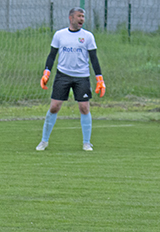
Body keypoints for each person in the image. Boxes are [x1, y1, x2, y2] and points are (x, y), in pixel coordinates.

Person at [36, 7, 106, 152]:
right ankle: (44, 141)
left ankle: (87, 143)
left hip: (82, 77)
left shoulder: (88, 36)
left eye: (83, 17)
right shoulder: (59, 35)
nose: (82, 19)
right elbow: (52, 55)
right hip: (63, 75)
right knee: (54, 107)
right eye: (79, 16)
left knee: (84, 107)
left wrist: (100, 79)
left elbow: (94, 59)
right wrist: (46, 73)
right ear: (71, 18)